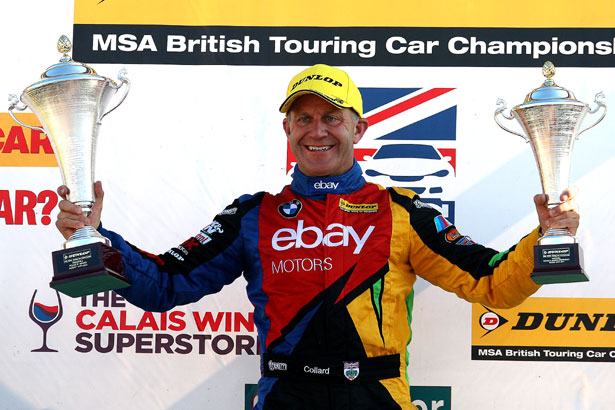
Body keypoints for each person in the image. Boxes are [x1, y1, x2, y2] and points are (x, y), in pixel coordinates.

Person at [55, 64, 580, 410]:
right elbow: (164, 285)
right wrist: (95, 238)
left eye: (332, 117)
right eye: (303, 117)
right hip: (286, 393)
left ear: (359, 128)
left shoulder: (400, 212)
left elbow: (492, 285)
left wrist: (547, 238)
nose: (317, 129)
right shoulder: (252, 215)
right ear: (287, 130)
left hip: (375, 395)